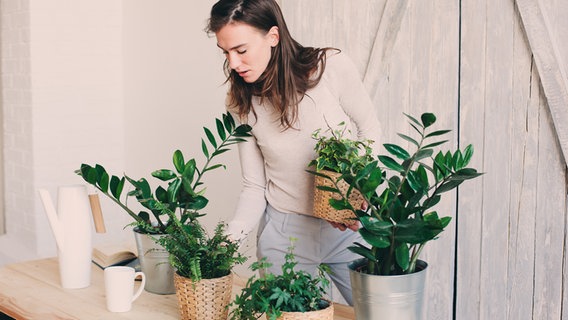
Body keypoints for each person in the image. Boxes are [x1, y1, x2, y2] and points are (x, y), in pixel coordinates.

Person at [206, 0, 381, 305]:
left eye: (241, 50)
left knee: (379, 313)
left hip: (347, 230)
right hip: (285, 236)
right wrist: (226, 244)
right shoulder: (240, 100)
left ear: (273, 36)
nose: (233, 63)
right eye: (226, 52)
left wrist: (358, 194)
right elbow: (255, 185)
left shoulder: (329, 67)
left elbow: (371, 130)